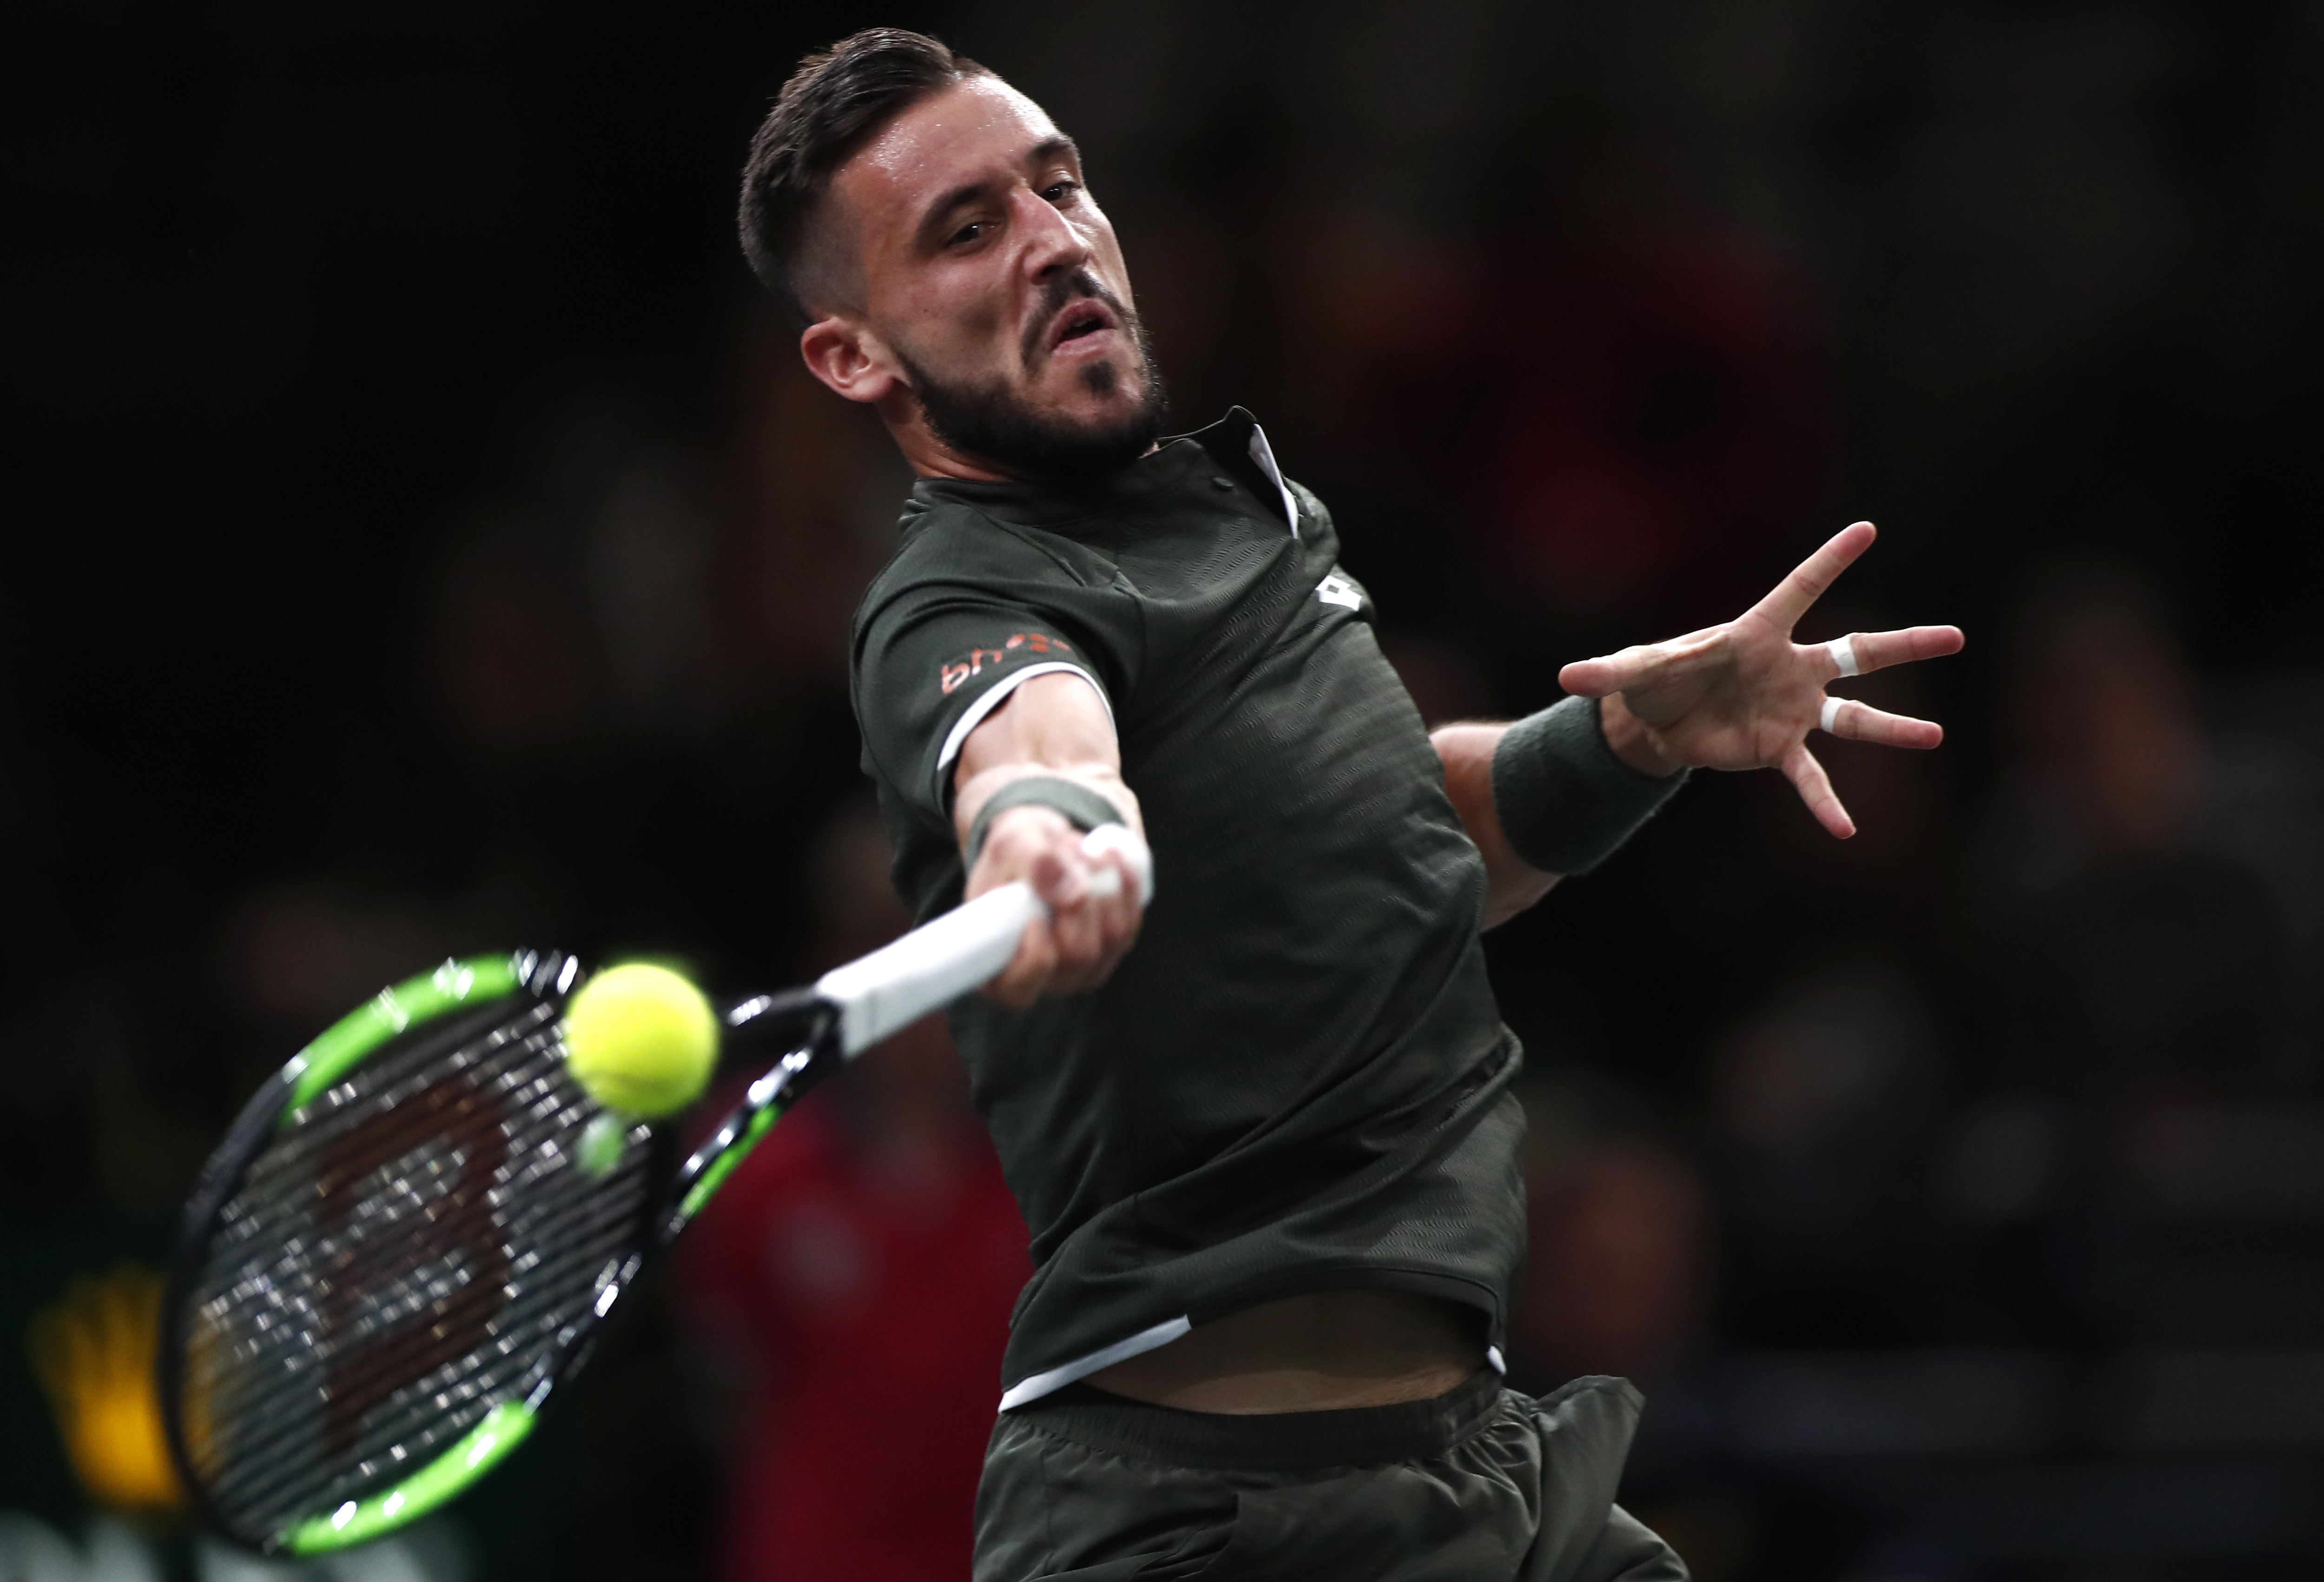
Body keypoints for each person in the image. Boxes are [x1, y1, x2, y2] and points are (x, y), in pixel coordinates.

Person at [734, 28, 1963, 1581]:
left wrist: (1628, 741)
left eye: (1059, 186)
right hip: (1206, 1521)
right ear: (857, 356)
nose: (1052, 240)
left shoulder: (1246, 515)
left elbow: (1396, 842)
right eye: (967, 230)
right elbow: (1027, 736)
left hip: (1481, 1475)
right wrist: (1048, 829)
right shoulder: (957, 595)